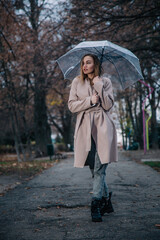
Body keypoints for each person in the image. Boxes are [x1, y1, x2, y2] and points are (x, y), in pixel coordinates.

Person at [68, 54, 118, 222]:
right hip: (85, 128)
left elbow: (108, 105)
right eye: (82, 63)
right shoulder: (77, 82)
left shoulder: (106, 81)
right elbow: (72, 106)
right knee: (93, 169)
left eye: (88, 62)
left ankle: (95, 204)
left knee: (99, 169)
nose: (84, 66)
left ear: (95, 64)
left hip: (103, 127)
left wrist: (99, 85)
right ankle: (106, 201)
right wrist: (90, 100)